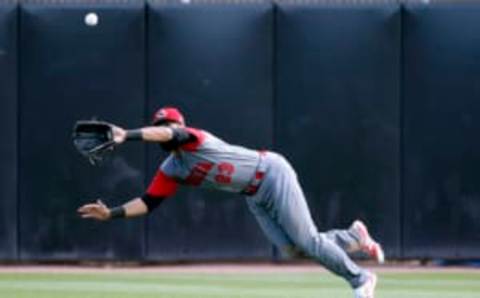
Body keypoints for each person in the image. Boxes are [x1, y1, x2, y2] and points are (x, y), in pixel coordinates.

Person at [78, 106, 384, 298]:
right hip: (254, 195)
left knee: (308, 239)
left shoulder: (196, 138)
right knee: (293, 249)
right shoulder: (172, 169)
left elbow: (170, 132)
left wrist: (126, 135)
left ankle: (360, 278)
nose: (165, 129)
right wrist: (111, 214)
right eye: (160, 124)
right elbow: (149, 202)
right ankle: (355, 237)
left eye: (167, 125)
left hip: (272, 174)